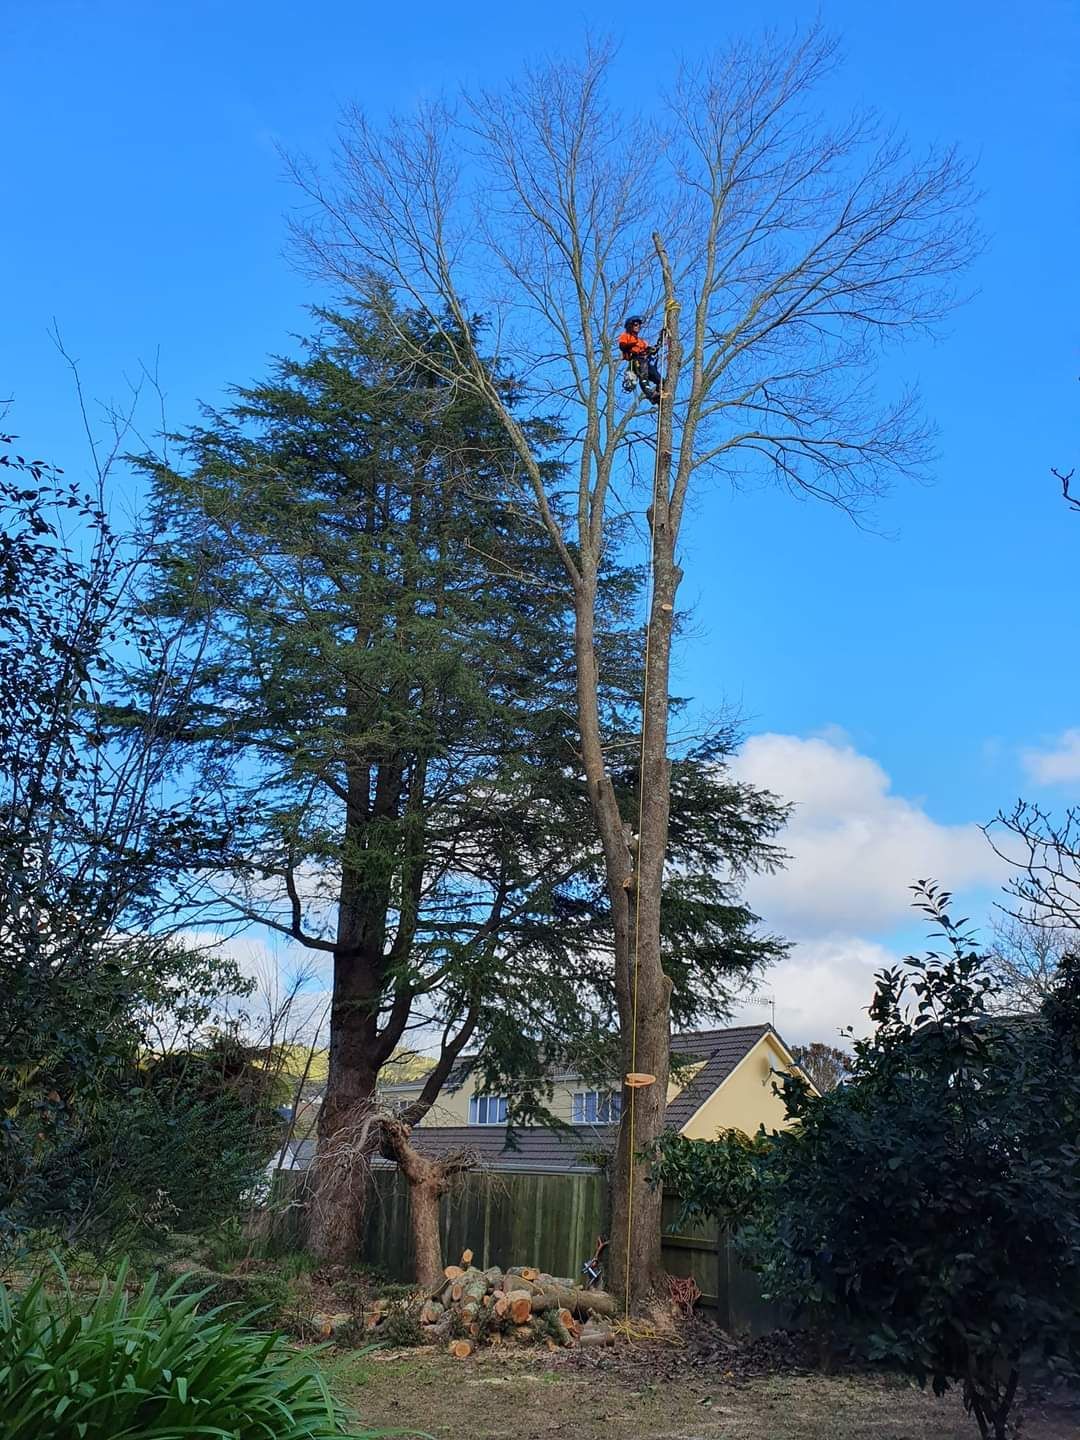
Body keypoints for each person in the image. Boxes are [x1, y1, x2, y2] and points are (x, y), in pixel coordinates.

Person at [617, 315, 663, 404]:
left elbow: (650, 349)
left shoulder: (640, 341)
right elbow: (622, 346)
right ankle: (651, 395)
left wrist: (660, 340)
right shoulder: (626, 336)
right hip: (636, 360)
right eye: (635, 324)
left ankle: (660, 388)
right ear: (630, 326)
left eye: (638, 325)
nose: (638, 326)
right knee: (643, 376)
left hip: (645, 360)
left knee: (657, 377)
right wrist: (632, 346)